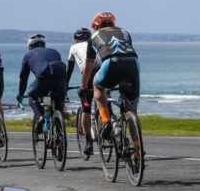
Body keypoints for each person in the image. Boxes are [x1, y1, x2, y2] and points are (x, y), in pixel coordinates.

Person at [80, 12, 140, 139]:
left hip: (111, 63)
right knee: (132, 111)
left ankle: (106, 120)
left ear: (96, 25)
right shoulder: (125, 32)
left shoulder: (94, 36)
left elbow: (89, 66)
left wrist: (84, 86)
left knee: (97, 86)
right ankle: (138, 148)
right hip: (133, 64)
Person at [16, 34, 67, 133]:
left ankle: (40, 116)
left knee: (31, 94)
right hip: (61, 79)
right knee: (58, 106)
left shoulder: (28, 55)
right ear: (44, 45)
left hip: (44, 79)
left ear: (30, 47)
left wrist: (21, 94)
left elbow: (23, 78)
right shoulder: (54, 51)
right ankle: (59, 127)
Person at [67, 27, 102, 155]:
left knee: (86, 109)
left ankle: (88, 141)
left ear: (76, 39)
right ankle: (107, 122)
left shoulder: (73, 47)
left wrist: (65, 86)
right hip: (102, 71)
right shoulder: (94, 44)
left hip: (88, 74)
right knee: (103, 99)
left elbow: (69, 70)